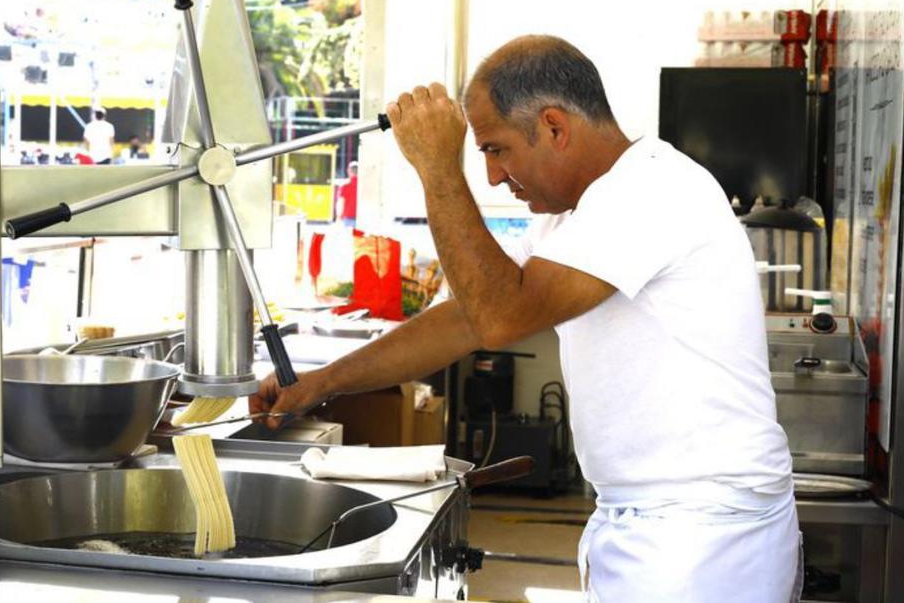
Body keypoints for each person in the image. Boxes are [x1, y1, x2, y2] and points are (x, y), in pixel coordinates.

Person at [251, 35, 799, 602]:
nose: (491, 176)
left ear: (555, 127)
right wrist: (320, 383)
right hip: (650, 519)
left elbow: (498, 317)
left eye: (495, 149)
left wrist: (440, 169)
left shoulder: (650, 190)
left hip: (703, 536)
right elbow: (462, 319)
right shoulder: (573, 214)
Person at [335, 160, 359, 227]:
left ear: (349, 171)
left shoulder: (345, 186)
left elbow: (340, 203)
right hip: (362, 219)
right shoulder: (363, 186)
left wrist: (338, 217)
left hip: (348, 219)